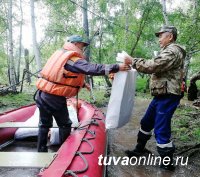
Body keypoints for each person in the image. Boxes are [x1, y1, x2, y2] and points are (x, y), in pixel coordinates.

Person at [35, 35, 130, 152]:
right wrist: (116, 67)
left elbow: (60, 75)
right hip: (54, 97)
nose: (83, 48)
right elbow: (91, 68)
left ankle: (41, 150)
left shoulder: (60, 54)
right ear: (75, 44)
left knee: (44, 124)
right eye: (82, 45)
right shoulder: (71, 58)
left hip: (42, 94)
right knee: (65, 124)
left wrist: (83, 84)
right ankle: (65, 153)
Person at [123, 26, 186, 170]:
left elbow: (153, 65)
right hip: (161, 94)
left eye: (161, 36)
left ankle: (167, 165)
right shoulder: (168, 50)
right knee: (146, 122)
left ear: (170, 37)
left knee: (161, 129)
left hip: (169, 95)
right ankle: (140, 149)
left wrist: (133, 61)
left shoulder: (173, 50)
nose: (159, 39)